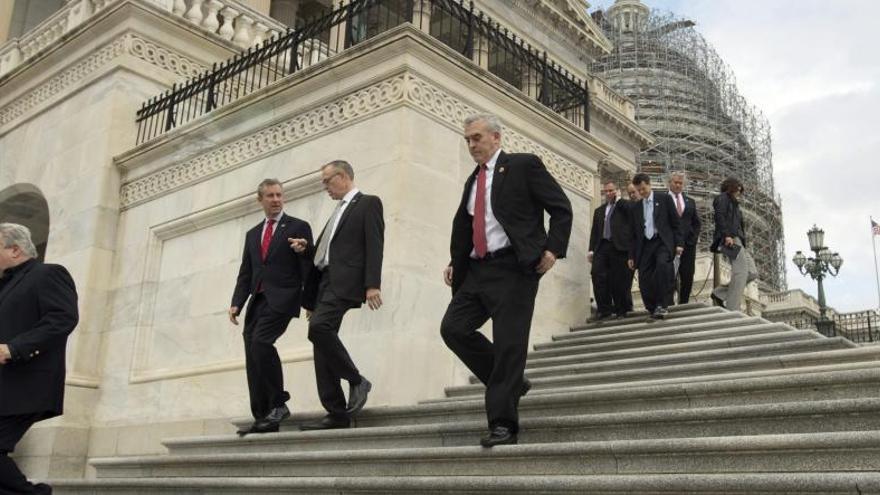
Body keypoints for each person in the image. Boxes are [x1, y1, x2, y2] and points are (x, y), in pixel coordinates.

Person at [440, 113, 572, 447]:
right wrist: (457, 262)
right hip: (478, 271)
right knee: (453, 328)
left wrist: (552, 250)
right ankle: (512, 384)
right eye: (467, 139)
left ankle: (503, 424)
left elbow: (561, 208)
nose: (471, 145)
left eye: (477, 138)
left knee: (509, 345)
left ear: (496, 138)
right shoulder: (473, 181)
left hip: (515, 269)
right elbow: (472, 227)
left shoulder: (524, 166)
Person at [290, 160, 384, 431]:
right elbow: (328, 251)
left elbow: (375, 243)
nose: (325, 187)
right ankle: (336, 413)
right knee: (321, 343)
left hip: (344, 282)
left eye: (327, 181)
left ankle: (356, 380)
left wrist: (372, 284)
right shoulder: (337, 211)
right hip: (323, 283)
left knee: (319, 328)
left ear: (342, 177)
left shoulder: (368, 203)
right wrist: (308, 248)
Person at [229, 179, 313, 435]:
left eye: (279, 195)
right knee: (252, 353)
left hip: (283, 298)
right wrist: (236, 303)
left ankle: (278, 403)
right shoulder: (253, 234)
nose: (276, 199)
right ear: (260, 199)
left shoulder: (298, 226)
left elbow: (310, 264)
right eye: (270, 196)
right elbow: (247, 272)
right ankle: (263, 417)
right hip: (258, 300)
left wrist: (304, 252)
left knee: (261, 343)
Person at [0, 223, 78, 494]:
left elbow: (62, 318)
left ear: (14, 249)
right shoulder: (5, 286)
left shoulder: (47, 274)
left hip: (25, 385)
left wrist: (14, 348)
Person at [630, 173, 683, 320]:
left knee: (662, 267)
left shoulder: (664, 199)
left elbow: (676, 223)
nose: (641, 192)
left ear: (649, 184)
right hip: (645, 245)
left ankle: (662, 304)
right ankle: (652, 307)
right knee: (644, 277)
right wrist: (631, 256)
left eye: (643, 189)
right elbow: (634, 234)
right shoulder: (636, 208)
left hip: (662, 242)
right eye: (638, 190)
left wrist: (679, 244)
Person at [710, 177, 757, 311]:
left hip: (739, 241)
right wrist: (727, 236)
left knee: (752, 272)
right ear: (732, 187)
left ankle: (719, 293)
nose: (740, 192)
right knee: (740, 272)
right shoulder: (722, 199)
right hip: (730, 238)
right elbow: (720, 217)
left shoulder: (735, 204)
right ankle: (733, 307)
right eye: (738, 189)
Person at [588, 181, 634, 320]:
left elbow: (632, 213)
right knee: (597, 274)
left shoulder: (624, 205)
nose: (608, 193)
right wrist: (591, 249)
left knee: (618, 279)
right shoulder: (599, 211)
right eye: (606, 191)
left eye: (611, 190)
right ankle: (604, 309)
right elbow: (595, 232)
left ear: (617, 191)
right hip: (602, 246)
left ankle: (621, 309)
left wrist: (619, 200)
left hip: (619, 246)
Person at [666, 171, 701, 305]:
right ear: (669, 183)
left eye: (681, 183)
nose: (678, 185)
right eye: (676, 182)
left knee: (687, 275)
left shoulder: (690, 202)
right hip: (669, 245)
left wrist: (693, 239)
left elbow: (696, 223)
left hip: (688, 246)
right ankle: (668, 302)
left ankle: (684, 303)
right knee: (669, 275)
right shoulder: (663, 200)